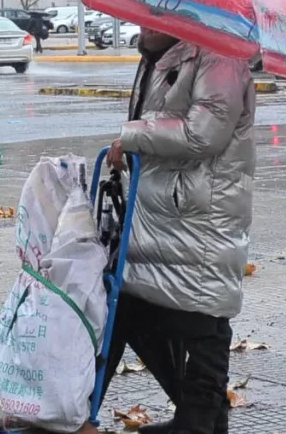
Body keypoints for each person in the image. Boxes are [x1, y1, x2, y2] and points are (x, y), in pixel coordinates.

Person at [103, 28, 255, 434]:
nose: (141, 20)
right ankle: (200, 417)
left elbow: (202, 133)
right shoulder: (161, 51)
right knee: (135, 307)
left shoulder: (221, 54)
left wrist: (132, 137)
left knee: (202, 315)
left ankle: (202, 420)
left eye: (152, 10)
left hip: (201, 214)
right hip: (164, 211)